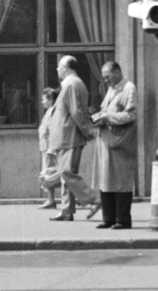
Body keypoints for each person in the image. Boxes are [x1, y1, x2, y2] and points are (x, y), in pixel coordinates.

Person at [47, 55, 96, 222]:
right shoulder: (73, 83)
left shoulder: (71, 84)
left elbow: (76, 112)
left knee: (67, 173)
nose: (57, 69)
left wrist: (84, 130)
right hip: (67, 136)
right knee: (66, 175)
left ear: (66, 68)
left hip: (69, 136)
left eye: (59, 67)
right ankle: (67, 210)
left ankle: (94, 198)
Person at [91, 60, 138, 230]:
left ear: (117, 72)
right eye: (104, 77)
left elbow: (131, 115)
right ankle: (109, 218)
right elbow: (108, 110)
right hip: (107, 142)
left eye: (107, 76)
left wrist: (108, 117)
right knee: (106, 180)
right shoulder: (112, 89)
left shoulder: (129, 89)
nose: (105, 80)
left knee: (121, 181)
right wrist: (99, 116)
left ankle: (123, 220)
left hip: (120, 143)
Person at [36, 86, 61, 209]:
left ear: (51, 99)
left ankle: (73, 193)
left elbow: (52, 130)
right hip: (45, 147)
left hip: (50, 148)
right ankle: (50, 200)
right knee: (48, 173)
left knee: (51, 174)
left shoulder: (53, 112)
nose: (42, 102)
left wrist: (51, 148)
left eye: (44, 99)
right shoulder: (49, 111)